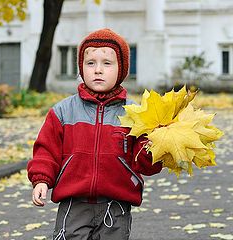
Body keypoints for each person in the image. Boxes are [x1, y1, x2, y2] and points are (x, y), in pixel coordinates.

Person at [27, 28, 162, 240]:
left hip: (116, 206)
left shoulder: (136, 113)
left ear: (122, 69)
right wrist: (41, 179)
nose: (97, 70)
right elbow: (46, 150)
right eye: (90, 63)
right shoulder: (63, 111)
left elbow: (146, 164)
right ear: (81, 67)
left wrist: (156, 143)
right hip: (74, 204)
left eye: (107, 63)